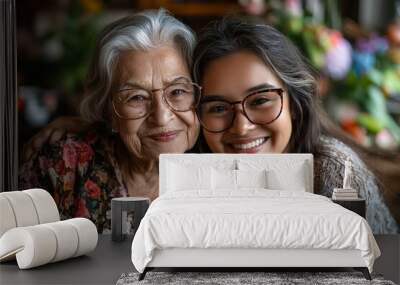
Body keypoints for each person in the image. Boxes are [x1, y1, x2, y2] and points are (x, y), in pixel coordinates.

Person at [192, 17, 398, 234]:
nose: (242, 127)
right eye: (218, 108)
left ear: (295, 104)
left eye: (260, 101)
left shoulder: (335, 175)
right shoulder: (193, 178)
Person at [19, 9, 200, 233]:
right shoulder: (63, 168)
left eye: (178, 92)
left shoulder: (222, 162)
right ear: (108, 109)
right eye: (136, 97)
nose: (162, 117)